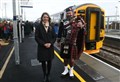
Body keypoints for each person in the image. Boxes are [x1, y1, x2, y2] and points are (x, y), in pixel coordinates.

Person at [57, 7, 86, 78]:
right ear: (66, 14)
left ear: (73, 13)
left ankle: (71, 71)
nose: (68, 14)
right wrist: (58, 40)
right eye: (67, 13)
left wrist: (82, 27)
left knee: (72, 58)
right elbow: (60, 31)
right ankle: (66, 70)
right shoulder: (63, 21)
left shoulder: (78, 20)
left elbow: (84, 31)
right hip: (65, 42)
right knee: (65, 57)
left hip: (74, 43)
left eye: (70, 13)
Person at [35, 12, 56, 82]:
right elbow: (36, 37)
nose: (45, 18)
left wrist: (50, 43)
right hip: (42, 47)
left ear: (48, 18)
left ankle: (48, 74)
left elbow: (54, 37)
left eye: (47, 17)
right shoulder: (38, 26)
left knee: (49, 62)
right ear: (42, 18)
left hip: (50, 47)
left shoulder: (51, 26)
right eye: (44, 17)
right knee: (43, 62)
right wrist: (44, 44)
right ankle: (44, 74)